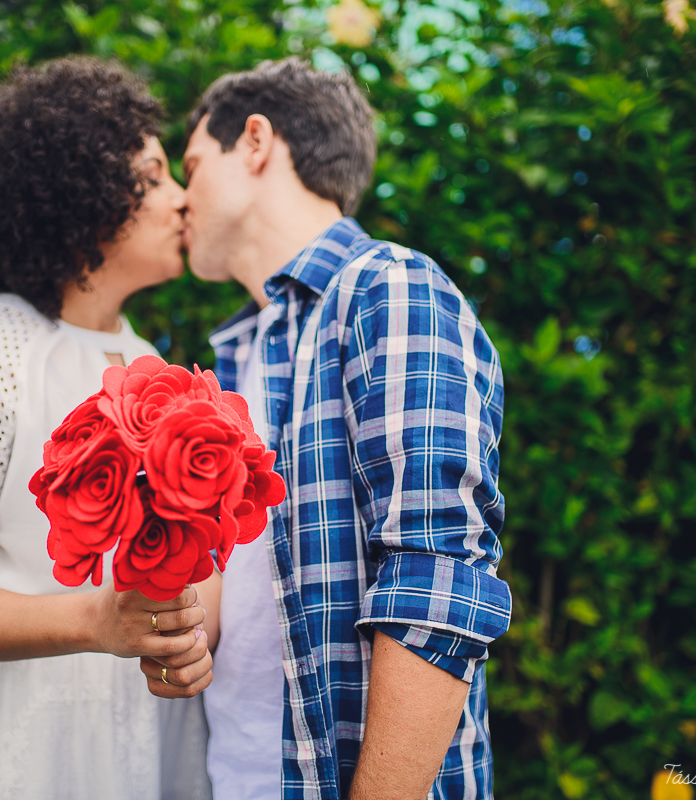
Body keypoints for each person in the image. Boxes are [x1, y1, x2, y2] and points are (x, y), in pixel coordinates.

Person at [181, 58, 512, 800]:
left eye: (193, 164)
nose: (179, 197)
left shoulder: (384, 288)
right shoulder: (235, 352)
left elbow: (437, 583)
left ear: (256, 141)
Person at [0, 58, 213, 799]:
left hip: (146, 738)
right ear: (84, 194)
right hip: (13, 744)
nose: (182, 200)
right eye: (156, 175)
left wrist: (187, 640)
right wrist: (97, 621)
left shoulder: (153, 367)